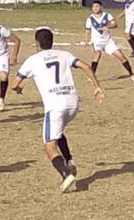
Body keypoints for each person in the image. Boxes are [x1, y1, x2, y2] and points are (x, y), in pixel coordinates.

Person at [12, 28, 105, 194]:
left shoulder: (32, 60)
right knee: (58, 130)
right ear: (52, 41)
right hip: (73, 104)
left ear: (36, 43)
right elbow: (85, 66)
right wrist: (97, 86)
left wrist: (18, 89)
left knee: (49, 146)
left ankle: (66, 174)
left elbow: (14, 84)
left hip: (55, 106)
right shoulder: (65, 54)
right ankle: (69, 160)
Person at [84, 0, 134, 83]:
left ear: (101, 7)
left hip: (108, 41)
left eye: (97, 6)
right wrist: (86, 41)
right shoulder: (90, 19)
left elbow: (115, 24)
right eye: (93, 6)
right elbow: (87, 31)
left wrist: (108, 26)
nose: (95, 8)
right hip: (97, 42)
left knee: (121, 56)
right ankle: (92, 76)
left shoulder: (107, 15)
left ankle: (131, 74)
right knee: (97, 54)